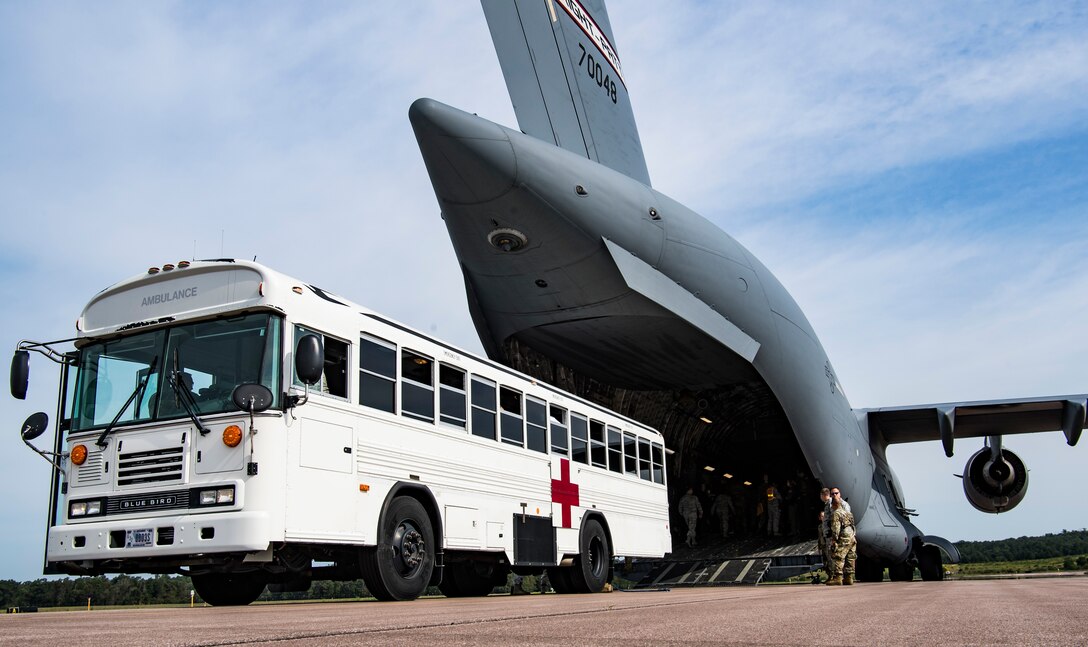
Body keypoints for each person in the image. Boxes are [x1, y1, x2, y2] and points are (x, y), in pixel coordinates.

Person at [826, 488, 857, 585]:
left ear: (833, 506)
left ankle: (838, 578)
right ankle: (849, 578)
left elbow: (836, 528)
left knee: (838, 555)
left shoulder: (836, 513)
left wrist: (834, 540)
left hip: (844, 536)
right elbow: (853, 524)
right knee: (850, 557)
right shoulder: (848, 513)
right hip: (852, 535)